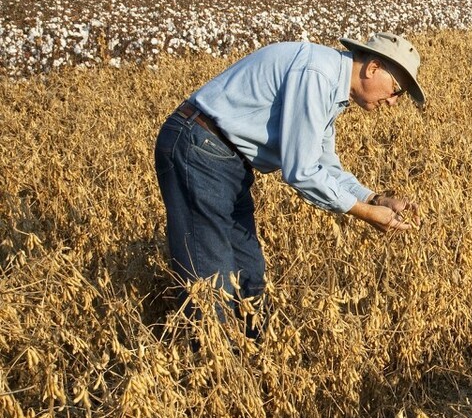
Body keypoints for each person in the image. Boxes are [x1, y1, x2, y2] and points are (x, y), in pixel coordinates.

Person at [154, 32, 425, 337]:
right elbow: (302, 171)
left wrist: (375, 198)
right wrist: (366, 213)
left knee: (250, 275)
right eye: (396, 90)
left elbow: (324, 165)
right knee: (210, 281)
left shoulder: (331, 86)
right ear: (373, 67)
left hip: (226, 159)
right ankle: (213, 371)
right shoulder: (317, 75)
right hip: (199, 148)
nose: (392, 101)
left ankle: (252, 362)